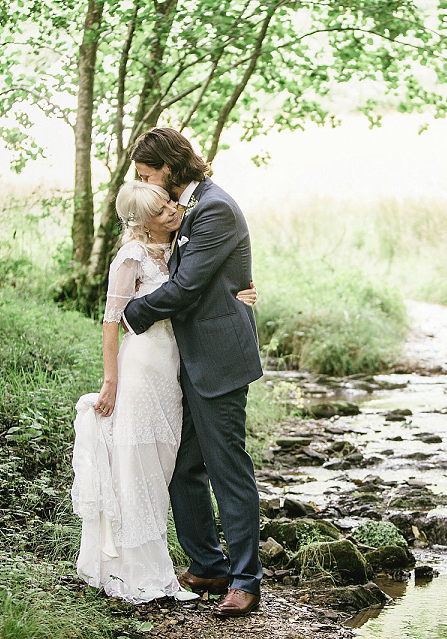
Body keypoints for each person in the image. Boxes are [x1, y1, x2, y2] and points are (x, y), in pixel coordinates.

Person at [70, 180, 257, 604]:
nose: (173, 210)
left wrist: (242, 291)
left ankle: (240, 577)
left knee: (174, 462)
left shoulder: (186, 233)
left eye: (171, 202)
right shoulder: (132, 254)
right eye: (161, 210)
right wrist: (111, 380)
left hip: (179, 368)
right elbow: (111, 319)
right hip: (145, 367)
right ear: (141, 222)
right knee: (145, 463)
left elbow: (206, 277)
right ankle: (142, 566)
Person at [122, 128, 265, 617]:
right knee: (185, 469)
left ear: (170, 166)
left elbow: (184, 286)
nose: (146, 183)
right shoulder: (189, 208)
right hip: (187, 357)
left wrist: (132, 313)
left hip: (219, 359)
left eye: (148, 174)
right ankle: (207, 563)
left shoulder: (215, 207)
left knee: (228, 469)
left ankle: (246, 580)